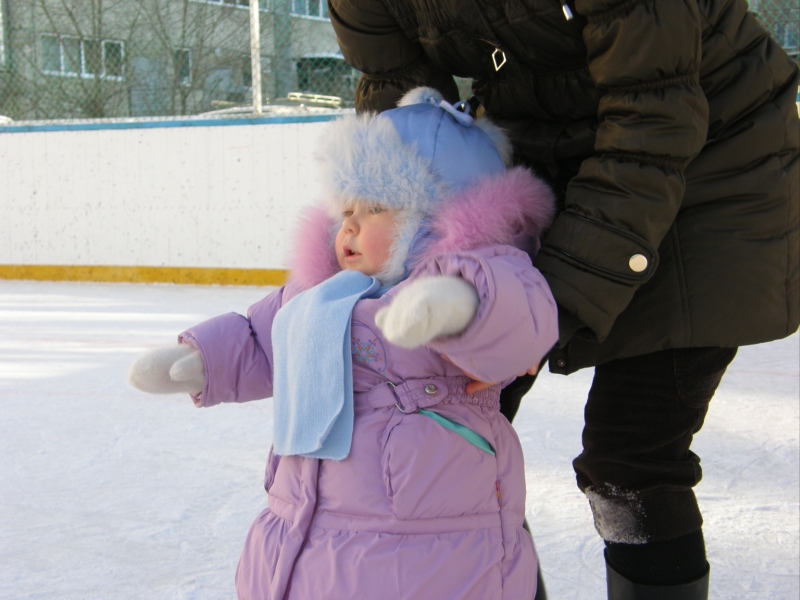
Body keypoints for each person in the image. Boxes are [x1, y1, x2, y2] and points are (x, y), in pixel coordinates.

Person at [327, 0, 800, 598]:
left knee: (631, 460)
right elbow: (406, 117)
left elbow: (651, 125)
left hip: (713, 162)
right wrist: (399, 253)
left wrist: (542, 316)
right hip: (539, 160)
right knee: (443, 432)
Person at [128, 87, 560, 600]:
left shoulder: (486, 273)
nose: (350, 224)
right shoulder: (318, 296)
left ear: (437, 219)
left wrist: (454, 306)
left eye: (375, 206)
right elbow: (262, 338)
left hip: (425, 551)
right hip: (304, 528)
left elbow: (519, 317)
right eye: (347, 208)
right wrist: (201, 359)